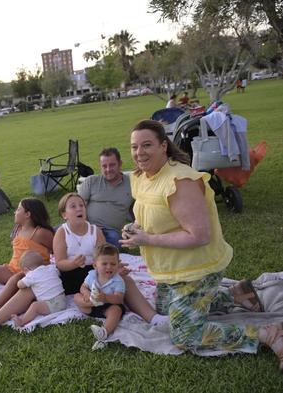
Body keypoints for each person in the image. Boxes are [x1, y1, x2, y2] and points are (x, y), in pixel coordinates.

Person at [120, 119, 283, 369]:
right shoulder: (142, 176)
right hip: (169, 270)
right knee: (163, 310)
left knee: (184, 335)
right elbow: (151, 214)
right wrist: (136, 229)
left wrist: (147, 239)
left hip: (196, 267)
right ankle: (236, 294)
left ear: (164, 146)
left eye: (146, 145)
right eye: (134, 147)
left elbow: (199, 235)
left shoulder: (180, 181)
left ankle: (268, 334)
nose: (139, 153)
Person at [55, 192, 168, 326]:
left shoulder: (94, 230)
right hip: (71, 275)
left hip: (94, 270)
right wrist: (73, 263)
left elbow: (105, 255)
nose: (79, 208)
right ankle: (96, 304)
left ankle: (153, 318)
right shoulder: (62, 232)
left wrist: (116, 267)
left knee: (124, 280)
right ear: (64, 214)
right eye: (73, 206)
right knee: (89, 292)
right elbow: (60, 263)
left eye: (82, 205)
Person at [78, 147, 133, 249]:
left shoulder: (131, 184)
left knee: (111, 244)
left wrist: (136, 227)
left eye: (112, 165)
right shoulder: (92, 181)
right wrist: (86, 226)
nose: (108, 169)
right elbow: (78, 208)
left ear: (120, 164)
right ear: (100, 167)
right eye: (104, 166)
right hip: (86, 226)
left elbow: (136, 208)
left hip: (110, 232)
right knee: (55, 233)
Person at [76, 243, 126, 348]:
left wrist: (105, 298)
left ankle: (104, 332)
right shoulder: (92, 275)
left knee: (116, 310)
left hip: (108, 305)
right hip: (91, 305)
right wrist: (86, 293)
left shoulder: (118, 280)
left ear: (118, 264)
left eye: (113, 264)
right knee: (77, 297)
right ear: (95, 265)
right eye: (104, 264)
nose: (109, 267)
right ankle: (90, 303)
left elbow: (119, 299)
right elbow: (83, 287)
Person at [10, 250, 66, 328]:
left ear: (26, 269)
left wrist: (20, 281)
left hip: (52, 305)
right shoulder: (51, 268)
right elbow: (58, 273)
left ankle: (22, 321)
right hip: (63, 299)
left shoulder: (31, 276)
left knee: (35, 306)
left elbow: (20, 285)